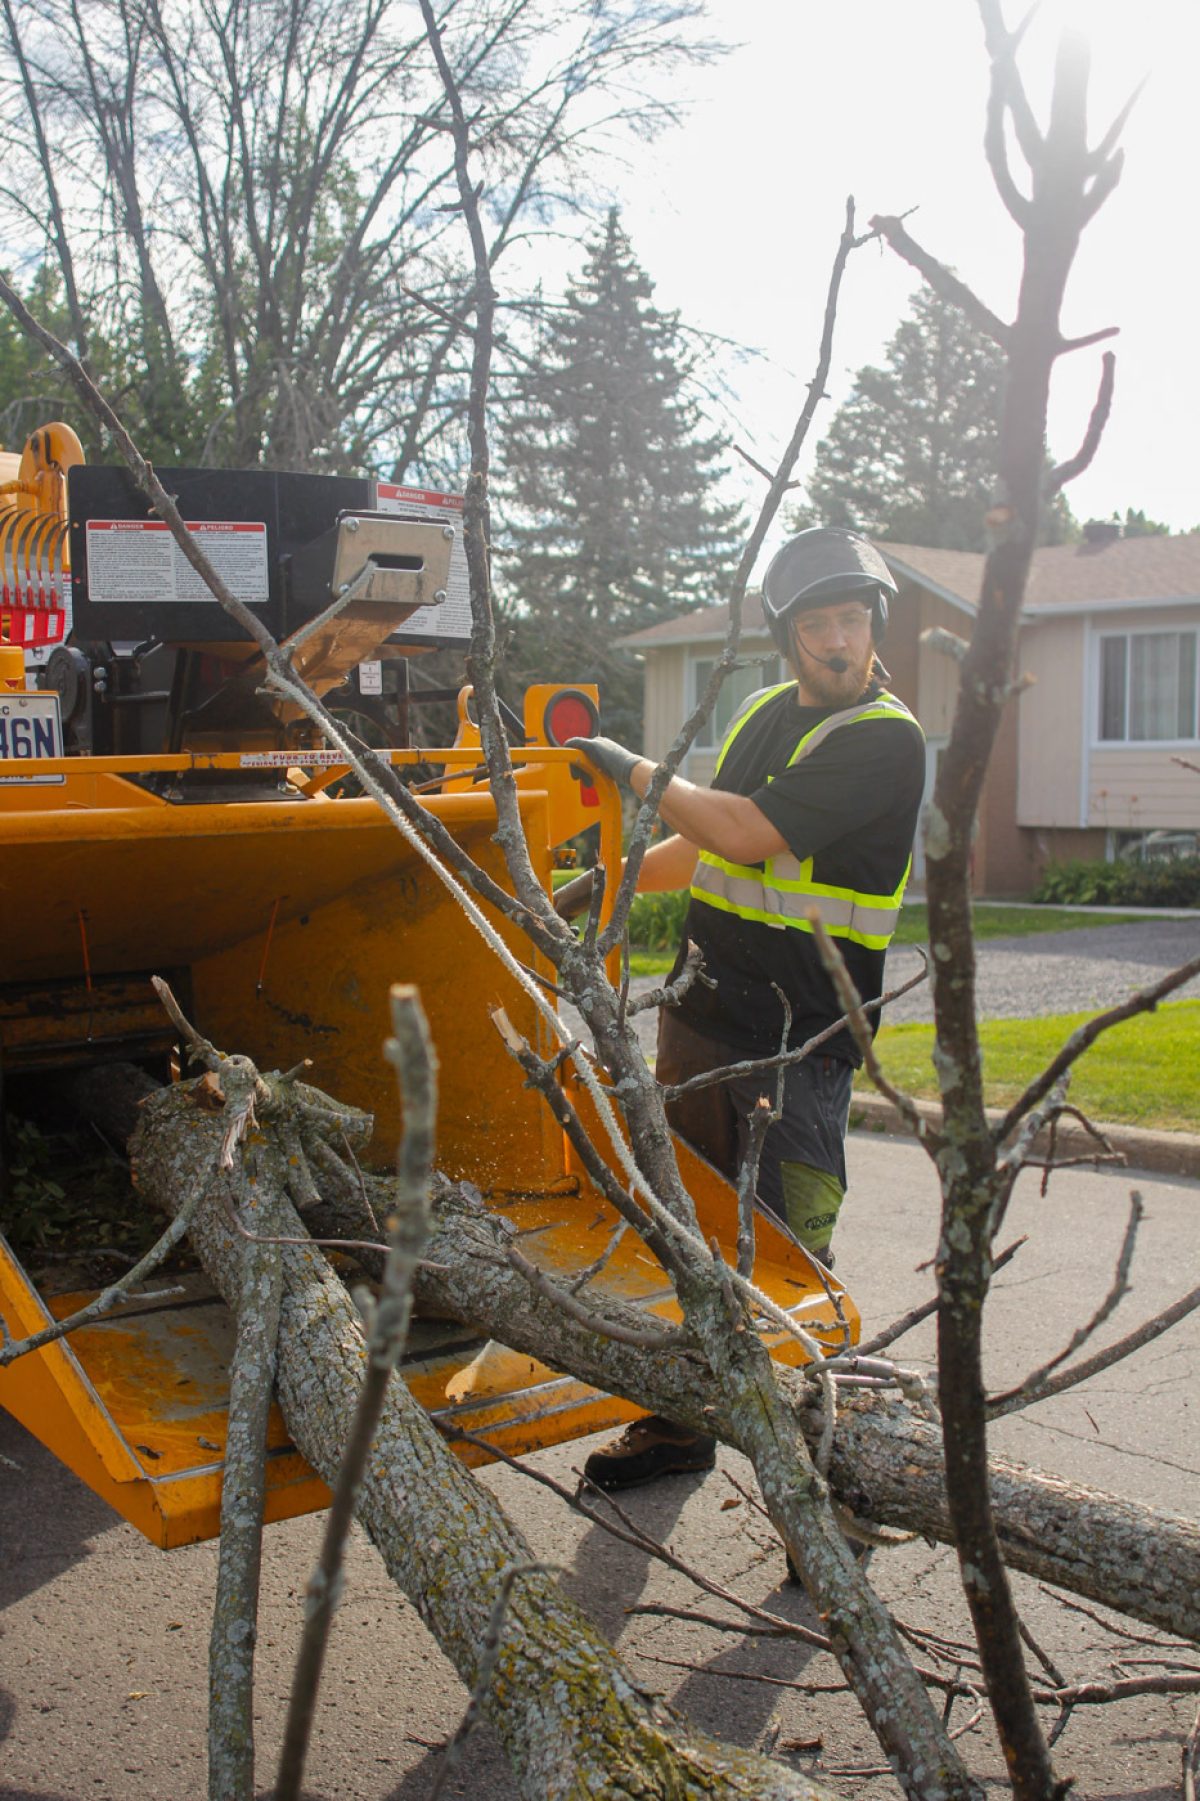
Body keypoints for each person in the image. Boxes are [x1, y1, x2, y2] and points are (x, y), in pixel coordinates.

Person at [562, 526, 926, 1490]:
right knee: (686, 1238)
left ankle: (831, 1483)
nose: (839, 641)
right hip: (701, 1020)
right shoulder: (766, 711)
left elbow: (743, 829)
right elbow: (704, 843)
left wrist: (630, 768)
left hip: (797, 1048)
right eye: (818, 623)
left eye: (853, 618)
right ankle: (677, 1425)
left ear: (875, 623)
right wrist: (605, 882)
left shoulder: (885, 740)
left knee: (790, 1264)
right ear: (786, 635)